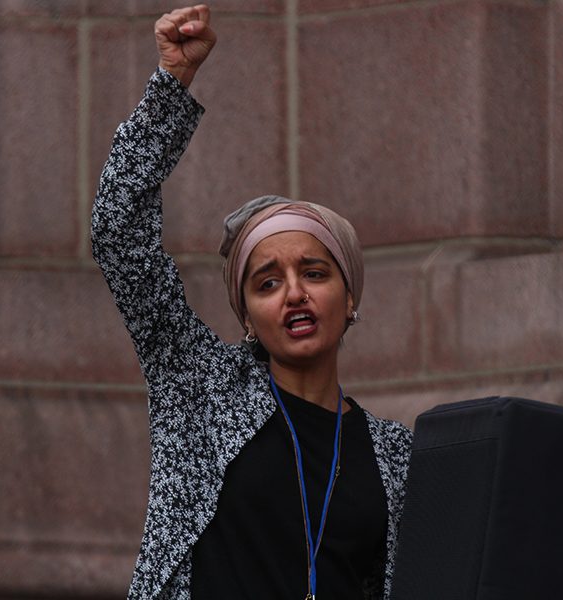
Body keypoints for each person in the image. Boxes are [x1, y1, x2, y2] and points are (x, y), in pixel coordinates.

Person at [91, 5, 412, 599]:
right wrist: (172, 85)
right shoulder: (201, 388)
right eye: (266, 283)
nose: (294, 293)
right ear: (246, 316)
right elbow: (118, 232)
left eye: (314, 272)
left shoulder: (396, 456)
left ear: (349, 297)